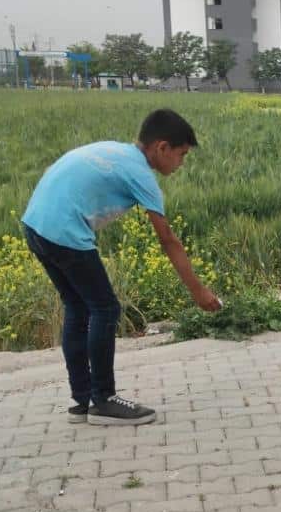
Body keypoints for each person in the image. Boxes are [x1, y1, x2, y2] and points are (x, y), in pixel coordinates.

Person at [22, 109, 222, 426]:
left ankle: (83, 401)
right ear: (162, 148)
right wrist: (199, 292)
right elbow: (168, 240)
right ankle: (104, 399)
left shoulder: (114, 151)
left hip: (34, 225)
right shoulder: (141, 174)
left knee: (78, 307)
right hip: (64, 231)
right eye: (182, 155)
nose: (181, 164)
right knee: (105, 309)